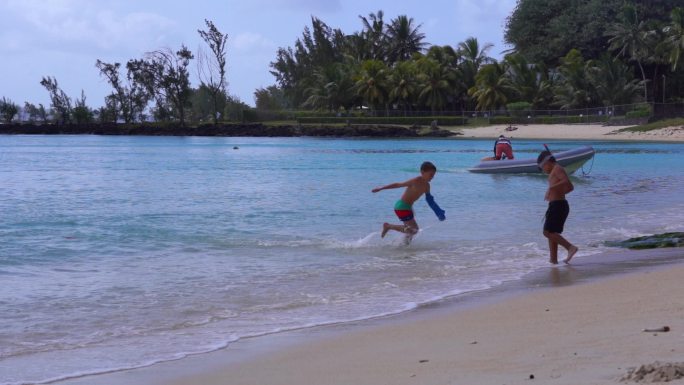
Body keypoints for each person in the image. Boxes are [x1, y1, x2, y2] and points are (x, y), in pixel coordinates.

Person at [372, 161, 445, 243]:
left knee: (410, 232)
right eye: (431, 174)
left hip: (408, 208)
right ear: (422, 172)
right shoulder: (416, 180)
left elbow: (430, 200)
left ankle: (404, 249)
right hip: (402, 207)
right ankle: (388, 226)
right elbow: (398, 185)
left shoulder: (427, 186)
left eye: (433, 175)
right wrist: (381, 188)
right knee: (414, 230)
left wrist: (438, 211)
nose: (432, 177)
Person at [537, 150, 578, 264]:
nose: (543, 171)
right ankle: (553, 260)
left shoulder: (557, 168)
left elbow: (566, 181)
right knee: (552, 232)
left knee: (547, 232)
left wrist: (551, 189)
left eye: (542, 167)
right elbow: (570, 188)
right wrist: (557, 191)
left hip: (558, 205)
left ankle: (570, 248)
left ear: (547, 163)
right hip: (556, 204)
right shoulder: (554, 171)